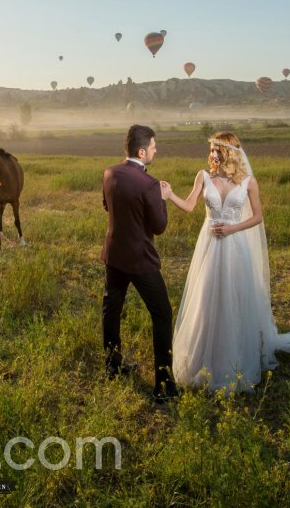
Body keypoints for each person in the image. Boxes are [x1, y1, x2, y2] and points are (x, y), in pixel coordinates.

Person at [162, 132, 290, 393]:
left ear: (231, 153)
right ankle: (202, 357)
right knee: (206, 296)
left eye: (218, 150)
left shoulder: (248, 182)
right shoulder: (203, 176)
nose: (213, 155)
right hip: (210, 246)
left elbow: (258, 217)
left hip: (235, 245)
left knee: (235, 298)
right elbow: (190, 206)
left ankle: (233, 359)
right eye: (212, 150)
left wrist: (233, 228)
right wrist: (170, 195)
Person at [101, 124, 178, 401]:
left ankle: (112, 367)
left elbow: (107, 206)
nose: (156, 151)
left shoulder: (109, 173)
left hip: (114, 254)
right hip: (140, 259)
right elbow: (159, 227)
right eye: (154, 148)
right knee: (162, 314)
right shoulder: (150, 185)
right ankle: (163, 384)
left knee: (111, 309)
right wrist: (165, 197)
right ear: (142, 151)